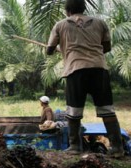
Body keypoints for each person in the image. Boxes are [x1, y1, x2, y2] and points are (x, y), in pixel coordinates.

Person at [46, 0, 124, 157]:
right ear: (84, 9)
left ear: (67, 11)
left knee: (74, 111)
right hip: (99, 69)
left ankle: (75, 147)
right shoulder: (100, 23)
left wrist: (62, 48)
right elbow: (106, 47)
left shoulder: (60, 25)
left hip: (76, 70)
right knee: (106, 109)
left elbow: (49, 50)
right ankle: (117, 148)